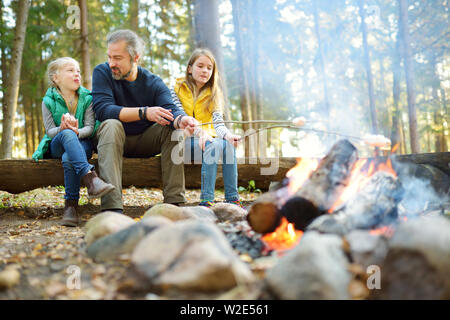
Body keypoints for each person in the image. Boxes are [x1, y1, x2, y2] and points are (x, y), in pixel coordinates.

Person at [92, 29, 197, 213]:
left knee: (174, 129)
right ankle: (112, 208)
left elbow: (170, 107)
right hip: (112, 140)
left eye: (117, 58)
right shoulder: (102, 72)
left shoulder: (153, 82)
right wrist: (144, 113)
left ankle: (175, 204)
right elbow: (103, 110)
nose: (111, 63)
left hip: (145, 141)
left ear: (135, 58)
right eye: (109, 57)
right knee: (111, 124)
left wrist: (182, 119)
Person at [32, 57, 115, 227]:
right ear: (56, 78)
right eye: (70, 70)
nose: (76, 73)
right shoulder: (48, 101)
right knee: (67, 134)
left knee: (69, 158)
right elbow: (49, 131)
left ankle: (70, 208)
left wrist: (77, 131)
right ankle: (90, 178)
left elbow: (90, 128)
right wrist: (63, 128)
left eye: (78, 70)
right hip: (57, 144)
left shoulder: (87, 98)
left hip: (82, 142)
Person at [171, 48, 243, 208]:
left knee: (228, 145)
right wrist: (201, 134)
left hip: (207, 140)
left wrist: (229, 136)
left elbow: (218, 124)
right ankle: (207, 200)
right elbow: (183, 119)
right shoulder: (176, 89)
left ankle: (232, 198)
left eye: (209, 68)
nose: (205, 70)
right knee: (211, 146)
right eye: (200, 66)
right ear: (190, 68)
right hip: (182, 140)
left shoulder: (215, 93)